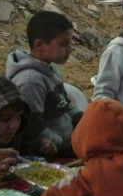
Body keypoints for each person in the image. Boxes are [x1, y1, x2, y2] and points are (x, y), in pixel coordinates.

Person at [6, 10, 79, 157]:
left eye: (70, 42)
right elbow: (32, 129)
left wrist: (83, 119)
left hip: (70, 141)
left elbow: (63, 105)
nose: (70, 49)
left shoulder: (52, 68)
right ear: (39, 45)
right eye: (64, 44)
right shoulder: (31, 81)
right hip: (54, 152)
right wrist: (59, 142)